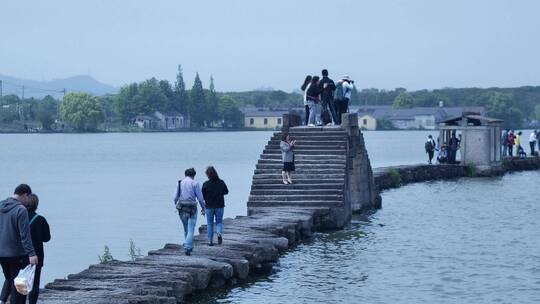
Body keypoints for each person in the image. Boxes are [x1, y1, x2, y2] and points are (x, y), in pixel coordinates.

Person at [1, 194, 50, 304]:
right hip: (36, 254)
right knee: (34, 282)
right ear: (36, 204)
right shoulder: (40, 219)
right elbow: (47, 238)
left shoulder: (17, 214)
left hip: (18, 253)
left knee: (11, 279)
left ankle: (2, 299)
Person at [0, 184, 38, 304]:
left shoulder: (0, 206)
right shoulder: (21, 210)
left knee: (11, 281)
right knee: (19, 287)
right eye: (28, 197)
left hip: (2, 254)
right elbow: (24, 236)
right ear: (25, 195)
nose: (28, 201)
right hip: (17, 254)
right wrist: (32, 254)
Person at [173, 168, 206, 256]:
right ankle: (188, 247)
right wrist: (203, 208)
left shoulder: (179, 183)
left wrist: (176, 205)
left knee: (186, 228)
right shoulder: (195, 183)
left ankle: (188, 246)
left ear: (185, 174)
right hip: (192, 207)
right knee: (191, 228)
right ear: (194, 175)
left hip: (182, 206)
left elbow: (175, 197)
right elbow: (200, 198)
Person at [202, 166, 229, 246]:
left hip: (209, 206)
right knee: (219, 222)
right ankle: (219, 233)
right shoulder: (221, 182)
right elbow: (226, 191)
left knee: (209, 223)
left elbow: (202, 196)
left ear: (208, 175)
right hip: (220, 205)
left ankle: (210, 241)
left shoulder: (205, 184)